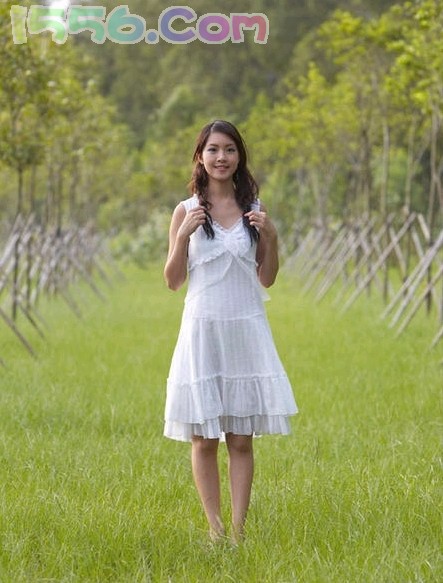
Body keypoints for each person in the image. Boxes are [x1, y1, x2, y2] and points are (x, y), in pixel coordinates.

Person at [163, 120, 297, 543]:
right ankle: (215, 530)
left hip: (245, 328)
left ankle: (239, 532)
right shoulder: (185, 211)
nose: (221, 157)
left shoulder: (253, 208)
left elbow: (267, 278)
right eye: (213, 149)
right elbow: (172, 280)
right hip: (202, 329)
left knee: (240, 438)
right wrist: (183, 237)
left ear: (239, 157)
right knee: (203, 438)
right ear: (200, 156)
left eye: (230, 150)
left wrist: (271, 237)